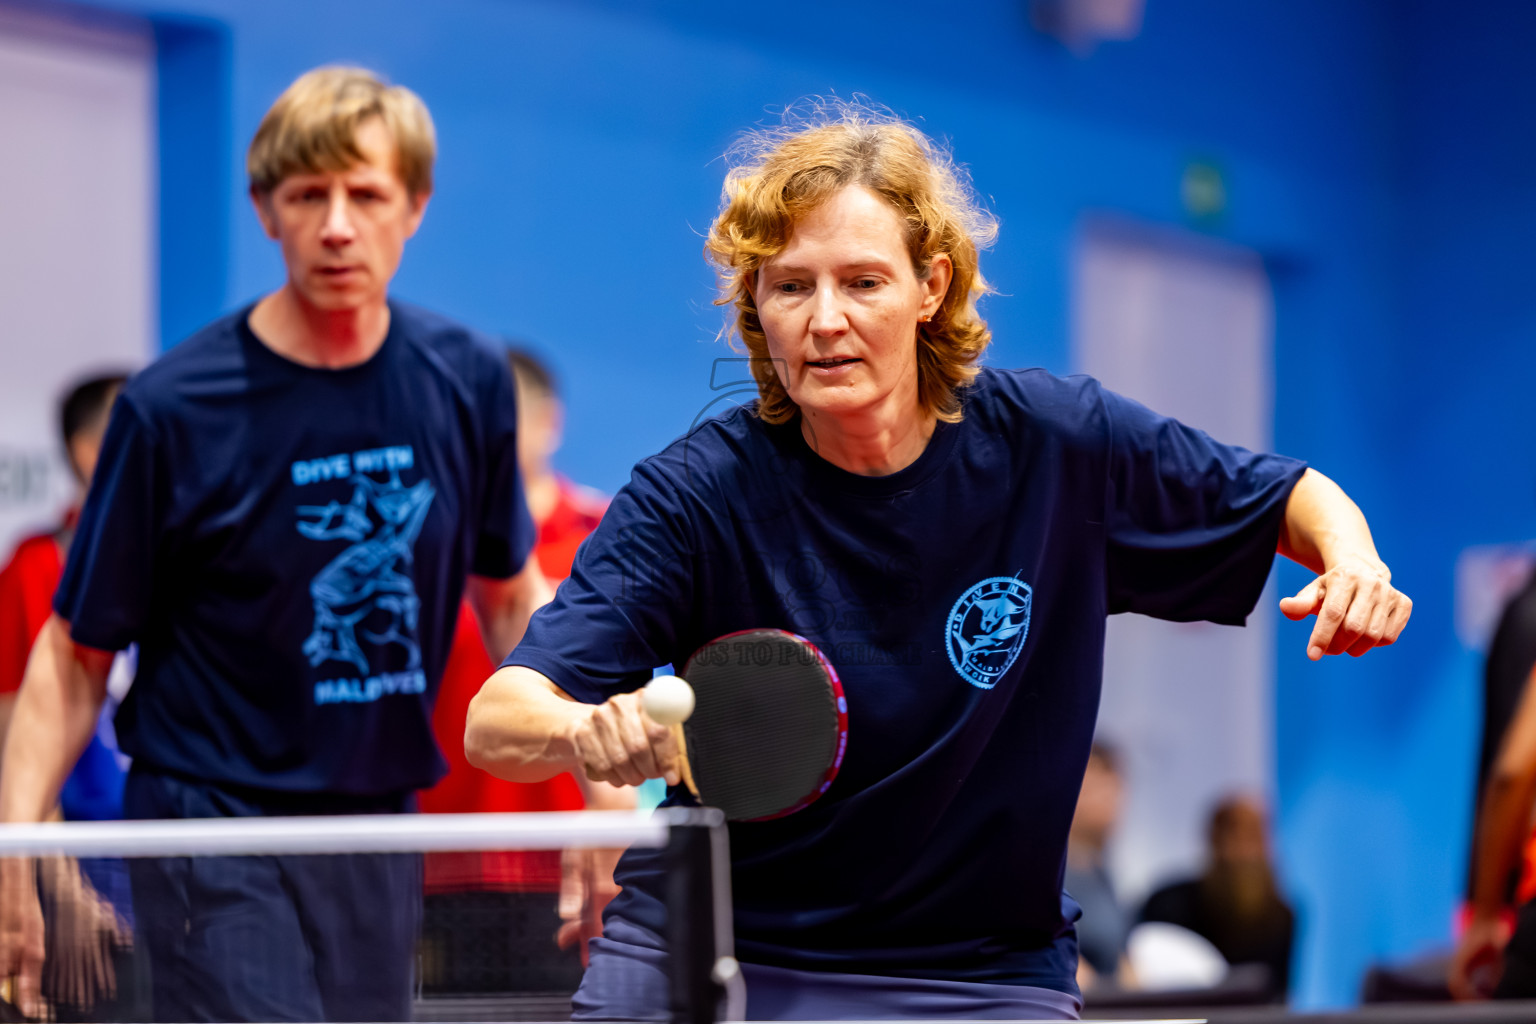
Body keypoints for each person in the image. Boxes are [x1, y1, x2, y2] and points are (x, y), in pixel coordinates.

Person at [465, 102, 1412, 1021]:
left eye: (863, 282)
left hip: (979, 969)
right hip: (721, 941)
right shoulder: (696, 494)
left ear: (933, 285)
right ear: (756, 304)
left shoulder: (1057, 443)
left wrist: (1353, 559)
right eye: (790, 285)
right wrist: (587, 728)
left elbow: (1291, 496)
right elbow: (498, 720)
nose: (824, 320)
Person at [0, 66, 546, 1023]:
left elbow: (509, 598)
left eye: (366, 193)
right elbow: (76, 651)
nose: (337, 225)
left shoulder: (464, 379)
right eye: (307, 195)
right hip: (212, 816)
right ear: (265, 209)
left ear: (413, 205)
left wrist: (603, 798)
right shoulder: (173, 408)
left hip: (376, 815)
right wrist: (15, 848)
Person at [419, 347, 624, 994]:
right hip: (435, 862)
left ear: (548, 423)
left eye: (501, 419)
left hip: (572, 863)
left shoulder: (610, 532)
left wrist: (614, 818)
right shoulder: (412, 544)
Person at [0, 374, 139, 1020]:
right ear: (90, 452)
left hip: (178, 860)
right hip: (75, 872)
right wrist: (59, 882)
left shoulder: (185, 558)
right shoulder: (33, 566)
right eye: (133, 421)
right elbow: (13, 734)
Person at [1139, 795, 1296, 1000]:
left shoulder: (1282, 918)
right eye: (1231, 836)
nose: (1241, 851)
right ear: (1213, 840)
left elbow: (1279, 996)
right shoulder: (1167, 904)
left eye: (1252, 837)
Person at [1064, 742, 1133, 992]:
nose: (1112, 800)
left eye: (1116, 787)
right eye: (1100, 786)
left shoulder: (1101, 873)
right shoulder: (1051, 874)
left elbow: (1122, 959)